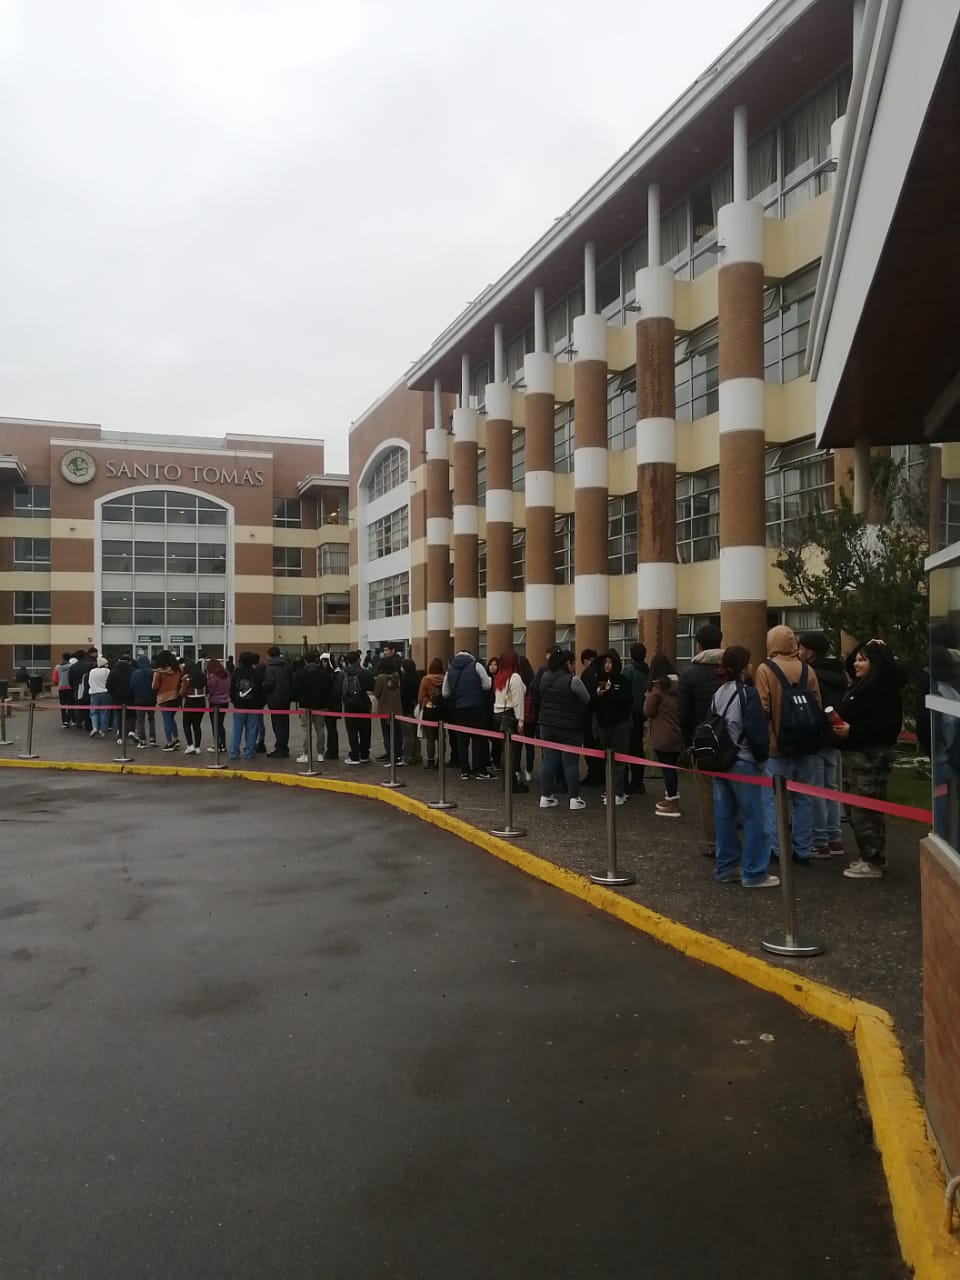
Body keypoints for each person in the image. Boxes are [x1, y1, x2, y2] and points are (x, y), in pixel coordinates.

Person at [832, 639, 906, 879]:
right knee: (855, 809)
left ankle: (874, 859)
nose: (856, 663)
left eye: (863, 659)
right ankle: (869, 855)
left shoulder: (882, 690)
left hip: (870, 757)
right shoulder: (861, 685)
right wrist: (866, 644)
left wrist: (852, 731)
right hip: (854, 755)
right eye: (856, 658)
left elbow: (886, 728)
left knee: (867, 810)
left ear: (875, 663)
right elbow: (849, 661)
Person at [754, 625, 822, 868]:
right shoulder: (808, 669)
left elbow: (762, 708)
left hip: (776, 747)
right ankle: (802, 850)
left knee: (773, 800)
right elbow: (816, 704)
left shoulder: (765, 669)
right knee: (804, 799)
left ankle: (776, 848)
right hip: (805, 746)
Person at [710, 646, 778, 889]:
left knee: (725, 816)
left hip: (721, 761)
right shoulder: (747, 694)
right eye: (749, 663)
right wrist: (762, 760)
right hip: (745, 761)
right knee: (755, 817)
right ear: (743, 667)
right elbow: (756, 732)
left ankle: (726, 867)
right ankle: (754, 872)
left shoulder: (718, 693)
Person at [797, 631, 848, 858]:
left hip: (816, 738)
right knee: (832, 789)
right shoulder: (838, 673)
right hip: (835, 738)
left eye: (801, 648)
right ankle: (835, 838)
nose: (798, 652)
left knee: (815, 791)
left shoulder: (810, 675)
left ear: (810, 652)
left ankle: (820, 842)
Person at [678, 623, 724, 858]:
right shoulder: (731, 670)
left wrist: (688, 744)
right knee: (731, 790)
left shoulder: (689, 675)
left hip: (703, 741)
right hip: (731, 740)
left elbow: (683, 715)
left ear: (698, 645)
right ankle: (732, 838)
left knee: (707, 794)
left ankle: (714, 842)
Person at [537, 648, 590, 811]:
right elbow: (587, 698)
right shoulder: (573, 680)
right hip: (569, 727)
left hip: (546, 724)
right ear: (568, 663)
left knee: (548, 761)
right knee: (571, 763)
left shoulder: (545, 677)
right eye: (573, 663)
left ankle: (546, 796)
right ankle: (574, 798)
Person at [442, 648, 493, 780]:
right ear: (470, 656)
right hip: (476, 707)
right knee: (479, 739)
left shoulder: (450, 670)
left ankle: (464, 770)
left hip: (459, 709)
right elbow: (487, 685)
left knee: (462, 741)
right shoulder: (476, 665)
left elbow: (445, 693)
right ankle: (479, 769)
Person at [644, 652, 684, 817]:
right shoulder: (680, 684)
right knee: (672, 767)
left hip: (662, 733)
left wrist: (647, 697)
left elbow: (648, 710)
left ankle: (673, 802)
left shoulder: (657, 688)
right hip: (677, 732)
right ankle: (671, 796)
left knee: (667, 769)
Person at [593, 650, 632, 807]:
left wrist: (612, 693)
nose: (607, 666)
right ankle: (610, 789)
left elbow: (628, 701)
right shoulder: (599, 680)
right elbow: (593, 704)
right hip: (603, 725)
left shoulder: (623, 681)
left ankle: (619, 792)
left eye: (610, 662)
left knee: (620, 760)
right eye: (605, 663)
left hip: (620, 724)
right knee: (607, 760)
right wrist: (599, 694)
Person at [492, 649, 527, 792]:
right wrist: (521, 721)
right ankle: (511, 783)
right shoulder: (515, 677)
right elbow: (518, 701)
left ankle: (506, 781)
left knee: (504, 751)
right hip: (510, 715)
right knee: (511, 751)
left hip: (498, 714)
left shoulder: (499, 677)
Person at [621, 642, 650, 793]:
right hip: (642, 713)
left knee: (625, 748)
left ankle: (625, 782)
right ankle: (638, 782)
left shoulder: (629, 671)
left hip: (629, 715)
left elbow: (623, 691)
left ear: (631, 654)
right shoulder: (648, 670)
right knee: (638, 747)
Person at [229, 651, 266, 761]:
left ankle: (234, 752)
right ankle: (249, 753)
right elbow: (261, 690)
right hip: (254, 706)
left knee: (236, 730)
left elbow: (232, 688)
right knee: (252, 730)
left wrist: (234, 700)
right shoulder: (256, 673)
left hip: (239, 705)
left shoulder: (236, 672)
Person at [342, 651, 375, 763]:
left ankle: (354, 754)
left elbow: (338, 690)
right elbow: (373, 686)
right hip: (363, 704)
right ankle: (364, 754)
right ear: (358, 660)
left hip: (349, 705)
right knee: (365, 730)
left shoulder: (343, 673)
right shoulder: (364, 673)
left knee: (352, 731)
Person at [293, 652, 324, 764]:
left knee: (307, 730)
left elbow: (295, 691)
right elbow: (328, 688)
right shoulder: (322, 673)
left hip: (305, 706)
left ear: (305, 661)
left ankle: (306, 754)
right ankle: (320, 754)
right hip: (321, 705)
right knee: (320, 729)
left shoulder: (300, 674)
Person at [578, 649, 603, 787]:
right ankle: (603, 774)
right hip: (603, 715)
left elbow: (583, 696)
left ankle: (593, 774)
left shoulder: (587, 674)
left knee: (590, 744)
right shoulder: (603, 671)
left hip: (589, 715)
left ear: (586, 660)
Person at [373, 655, 404, 764]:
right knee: (398, 733)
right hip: (397, 710)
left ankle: (390, 755)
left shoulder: (380, 678)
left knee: (387, 734)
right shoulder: (396, 677)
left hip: (385, 710)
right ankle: (398, 755)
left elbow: (377, 693)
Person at [263, 647, 293, 758]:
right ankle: (284, 746)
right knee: (285, 723)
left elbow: (270, 684)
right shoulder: (286, 666)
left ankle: (280, 748)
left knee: (277, 724)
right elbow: (290, 681)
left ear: (269, 655)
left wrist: (263, 685)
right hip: (286, 699)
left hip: (275, 700)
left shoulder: (270, 668)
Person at [417, 658, 445, 768]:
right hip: (442, 711)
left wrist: (427, 703)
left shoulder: (426, 680)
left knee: (430, 738)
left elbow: (421, 696)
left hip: (429, 711)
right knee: (441, 737)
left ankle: (430, 761)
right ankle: (441, 761)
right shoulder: (445, 679)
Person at [152, 651, 182, 751]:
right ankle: (176, 739)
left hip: (164, 698)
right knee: (171, 719)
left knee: (167, 720)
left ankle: (169, 742)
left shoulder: (158, 672)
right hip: (176, 697)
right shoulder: (178, 670)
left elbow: (154, 686)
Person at [180, 658, 207, 755]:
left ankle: (190, 745)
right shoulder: (203, 677)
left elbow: (183, 693)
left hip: (190, 702)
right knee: (197, 725)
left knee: (186, 724)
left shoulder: (187, 678)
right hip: (201, 702)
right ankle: (198, 746)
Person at [106, 653, 135, 743]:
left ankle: (121, 735)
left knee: (120, 715)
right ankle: (130, 730)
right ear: (129, 662)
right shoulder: (133, 671)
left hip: (118, 697)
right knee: (131, 714)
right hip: (130, 696)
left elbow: (108, 685)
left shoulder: (113, 672)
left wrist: (114, 694)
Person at [518, 654, 537, 783]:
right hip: (530, 717)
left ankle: (517, 770)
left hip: (519, 715)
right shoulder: (533, 679)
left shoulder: (515, 679)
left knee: (517, 746)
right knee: (530, 746)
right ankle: (529, 770)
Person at [130, 654, 157, 747]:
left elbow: (132, 686)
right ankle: (153, 739)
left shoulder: (136, 673)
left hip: (139, 700)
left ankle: (142, 740)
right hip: (151, 700)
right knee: (152, 719)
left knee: (140, 720)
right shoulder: (153, 672)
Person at [204, 657, 230, 753]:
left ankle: (217, 745)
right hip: (224, 702)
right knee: (220, 724)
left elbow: (211, 689)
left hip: (215, 702)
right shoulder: (225, 675)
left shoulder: (213, 676)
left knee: (215, 724)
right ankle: (222, 744)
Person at [400, 657, 422, 767]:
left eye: (402, 666)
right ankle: (417, 755)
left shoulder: (404, 680)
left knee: (408, 735)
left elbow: (402, 696)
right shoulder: (418, 679)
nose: (401, 668)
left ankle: (409, 757)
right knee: (416, 734)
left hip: (407, 710)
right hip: (416, 709)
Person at [87, 656, 111, 738]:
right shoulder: (107, 671)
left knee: (93, 711)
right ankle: (103, 730)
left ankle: (95, 727)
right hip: (105, 693)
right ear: (104, 664)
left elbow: (89, 682)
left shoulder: (92, 671)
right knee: (104, 712)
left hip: (94, 693)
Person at [486, 657, 501, 771]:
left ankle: (496, 759)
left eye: (495, 664)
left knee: (497, 738)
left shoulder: (501, 679)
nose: (492, 667)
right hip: (488, 711)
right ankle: (491, 759)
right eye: (491, 664)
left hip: (497, 711)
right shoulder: (486, 679)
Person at [55, 652, 75, 727]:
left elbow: (55, 679)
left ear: (62, 658)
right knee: (71, 705)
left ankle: (64, 721)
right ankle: (68, 720)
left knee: (63, 705)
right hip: (70, 688)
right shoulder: (72, 666)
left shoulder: (57, 667)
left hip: (61, 688)